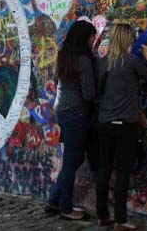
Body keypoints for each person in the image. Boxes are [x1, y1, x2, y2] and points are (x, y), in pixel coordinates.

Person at [95, 23, 147, 229]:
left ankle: (103, 214)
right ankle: (121, 220)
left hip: (104, 123)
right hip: (125, 125)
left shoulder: (102, 63)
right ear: (126, 39)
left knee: (103, 170)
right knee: (123, 172)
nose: (133, 41)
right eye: (131, 38)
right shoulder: (131, 62)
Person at [46, 20, 97, 220]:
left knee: (73, 159)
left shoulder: (63, 55)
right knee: (71, 161)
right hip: (76, 112)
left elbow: (60, 82)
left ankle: (54, 199)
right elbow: (89, 93)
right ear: (85, 37)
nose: (94, 40)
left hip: (62, 110)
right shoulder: (84, 60)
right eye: (93, 36)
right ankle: (65, 208)